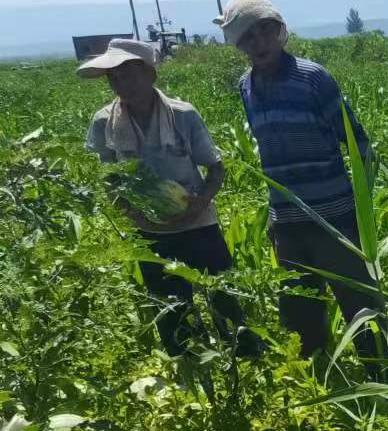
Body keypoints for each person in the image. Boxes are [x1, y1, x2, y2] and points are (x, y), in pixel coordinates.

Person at [213, 0, 381, 362]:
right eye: (248, 37)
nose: (258, 42)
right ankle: (322, 383)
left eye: (264, 31)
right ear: (239, 44)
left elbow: (361, 146)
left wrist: (362, 214)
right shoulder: (246, 87)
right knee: (300, 315)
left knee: (361, 307)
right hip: (287, 224)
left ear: (279, 31)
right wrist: (275, 218)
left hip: (335, 220)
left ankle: (383, 376)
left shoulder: (313, 78)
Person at [79, 38, 261, 358]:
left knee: (223, 296)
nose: (120, 82)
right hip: (148, 233)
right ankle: (191, 367)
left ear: (150, 74)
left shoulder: (183, 115)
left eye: (127, 73)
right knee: (172, 307)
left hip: (199, 226)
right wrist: (135, 216)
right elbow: (109, 178)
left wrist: (199, 204)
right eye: (114, 76)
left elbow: (216, 168)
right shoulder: (103, 122)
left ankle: (244, 358)